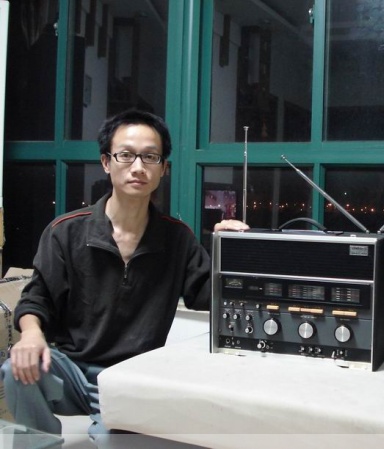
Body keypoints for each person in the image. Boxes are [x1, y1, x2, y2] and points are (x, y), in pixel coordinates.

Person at [0, 109, 249, 443]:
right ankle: (40, 443)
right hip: (71, 371)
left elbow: (209, 297)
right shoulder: (65, 232)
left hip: (133, 378)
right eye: (126, 155)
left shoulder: (177, 238)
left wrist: (230, 251)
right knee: (15, 371)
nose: (138, 167)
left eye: (150, 157)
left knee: (110, 441)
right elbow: (36, 298)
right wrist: (31, 335)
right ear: (106, 162)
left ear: (163, 168)